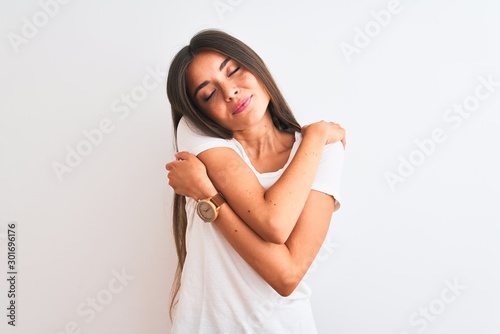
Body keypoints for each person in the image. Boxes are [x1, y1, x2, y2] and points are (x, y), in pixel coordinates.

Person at [165, 29, 346, 333]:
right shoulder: (195, 131)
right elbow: (273, 222)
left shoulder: (323, 150)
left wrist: (208, 195)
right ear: (200, 112)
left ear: (256, 66)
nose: (230, 92)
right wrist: (316, 135)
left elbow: (287, 277)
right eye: (208, 94)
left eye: (234, 71)